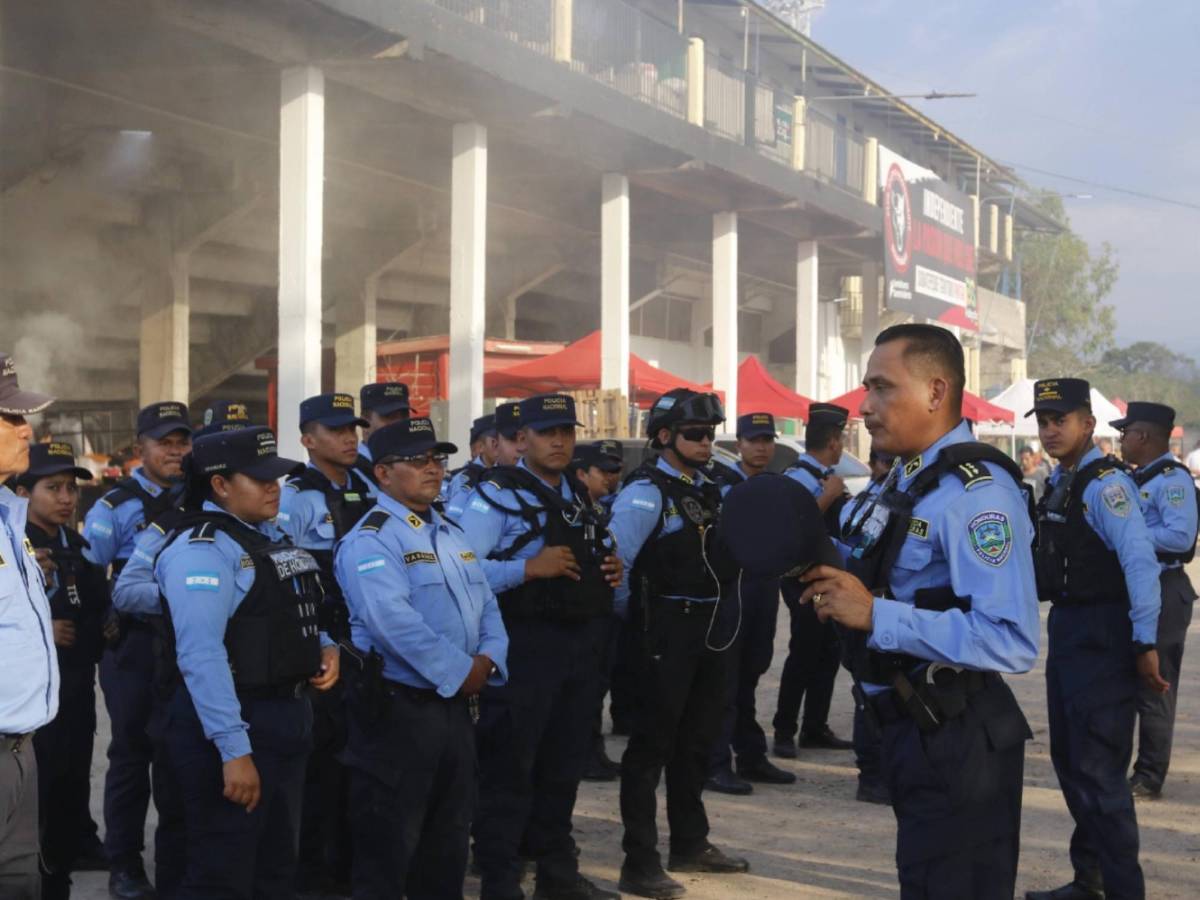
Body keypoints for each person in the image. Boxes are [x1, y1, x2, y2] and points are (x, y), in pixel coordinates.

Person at [800, 324, 1039, 899]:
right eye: (867, 388)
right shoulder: (906, 477)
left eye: (882, 388)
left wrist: (876, 616)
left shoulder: (977, 495)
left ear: (935, 392)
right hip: (910, 727)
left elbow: (1011, 638)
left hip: (958, 736)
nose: (865, 406)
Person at [151, 426, 339, 897]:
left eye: (275, 476)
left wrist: (324, 643)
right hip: (233, 722)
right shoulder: (204, 549)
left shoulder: (266, 535)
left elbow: (296, 606)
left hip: (284, 718)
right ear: (219, 485)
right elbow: (201, 654)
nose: (274, 486)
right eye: (259, 478)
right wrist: (234, 751)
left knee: (276, 869)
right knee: (223, 872)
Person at [335, 417, 509, 898]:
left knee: (448, 842)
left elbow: (487, 603)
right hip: (398, 710)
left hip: (455, 708)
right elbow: (392, 622)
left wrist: (490, 659)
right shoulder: (371, 539)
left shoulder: (451, 532)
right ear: (384, 473)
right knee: (389, 849)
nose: (433, 469)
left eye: (437, 458)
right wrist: (462, 671)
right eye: (418, 461)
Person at [457, 393, 621, 900]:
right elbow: (459, 569)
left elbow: (588, 548)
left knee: (563, 768)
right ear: (520, 438)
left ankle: (557, 877)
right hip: (522, 650)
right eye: (547, 432)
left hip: (577, 649)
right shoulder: (495, 495)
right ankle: (501, 883)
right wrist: (526, 568)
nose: (559, 441)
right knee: (509, 771)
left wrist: (609, 567)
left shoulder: (574, 490)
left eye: (567, 432)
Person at [1024, 378, 1168, 900]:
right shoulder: (1063, 479)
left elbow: (1139, 562)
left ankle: (1124, 890)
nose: (1049, 430)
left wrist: (1145, 642)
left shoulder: (1108, 485)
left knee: (1101, 773)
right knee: (1072, 763)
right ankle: (1090, 880)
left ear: (1088, 422)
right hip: (1070, 630)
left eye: (1059, 419)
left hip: (1104, 635)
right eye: (1042, 421)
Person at [608, 388, 748, 900]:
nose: (706, 442)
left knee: (696, 743)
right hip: (663, 633)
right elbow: (615, 567)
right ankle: (638, 862)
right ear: (664, 436)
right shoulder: (646, 492)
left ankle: (690, 842)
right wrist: (640, 625)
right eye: (695, 434)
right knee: (650, 750)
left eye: (711, 434)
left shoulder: (711, 486)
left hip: (709, 633)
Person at [83, 401, 192, 900]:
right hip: (132, 645)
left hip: (183, 645)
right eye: (163, 442)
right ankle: (124, 864)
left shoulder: (198, 497)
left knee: (179, 756)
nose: (174, 451)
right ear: (140, 447)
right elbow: (88, 576)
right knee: (129, 756)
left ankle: (173, 864)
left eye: (181, 442)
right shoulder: (116, 507)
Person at [277, 392, 376, 897]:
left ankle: (346, 868)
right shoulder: (294, 497)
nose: (349, 438)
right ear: (307, 439)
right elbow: (285, 574)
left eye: (353, 428)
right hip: (322, 646)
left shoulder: (365, 484)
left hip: (366, 641)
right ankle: (310, 875)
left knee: (360, 761)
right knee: (320, 766)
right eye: (336, 430)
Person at [12, 442, 110, 899]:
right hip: (30, 707)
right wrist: (41, 627)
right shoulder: (14, 546)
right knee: (39, 802)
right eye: (53, 488)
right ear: (22, 492)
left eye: (71, 488)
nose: (67, 498)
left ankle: (61, 878)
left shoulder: (76, 544)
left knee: (71, 792)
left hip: (75, 690)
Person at [1112, 402, 1199, 800]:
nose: (1120, 440)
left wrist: (1130, 538)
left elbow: (1181, 539)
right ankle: (1124, 764)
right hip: (1138, 586)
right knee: (1126, 679)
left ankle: (1149, 775)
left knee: (1155, 683)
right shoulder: (1136, 477)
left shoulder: (1172, 480)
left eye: (1124, 433)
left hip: (1165, 586)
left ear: (1143, 436)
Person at [706, 413, 795, 796]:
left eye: (767, 440)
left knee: (753, 672)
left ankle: (751, 755)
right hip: (734, 588)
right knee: (725, 680)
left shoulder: (777, 486)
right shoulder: (722, 486)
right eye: (754, 439)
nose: (762, 447)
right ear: (738, 444)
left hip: (765, 587)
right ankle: (715, 762)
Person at [0, 353, 58, 899]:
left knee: (19, 881)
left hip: (19, 749)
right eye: (10, 417)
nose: (26, 430)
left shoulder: (8, 515)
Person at [773, 403, 853, 758]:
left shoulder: (825, 475)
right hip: (803, 580)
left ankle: (815, 727)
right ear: (834, 440)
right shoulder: (798, 477)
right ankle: (784, 731)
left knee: (828, 652)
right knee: (804, 652)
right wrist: (830, 495)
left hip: (829, 577)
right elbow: (791, 530)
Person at [836, 446, 894, 805]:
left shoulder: (892, 499)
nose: (890, 468)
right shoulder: (861, 505)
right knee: (870, 689)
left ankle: (879, 771)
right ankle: (872, 775)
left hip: (876, 604)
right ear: (872, 464)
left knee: (879, 687)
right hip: (865, 602)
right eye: (885, 462)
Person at [570, 444, 626, 783]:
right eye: (602, 470)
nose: (611, 476)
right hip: (583, 617)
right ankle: (584, 756)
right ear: (581, 474)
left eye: (614, 469)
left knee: (597, 687)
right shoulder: (573, 512)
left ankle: (594, 752)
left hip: (601, 613)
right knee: (583, 692)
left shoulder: (598, 510)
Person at [354, 381, 412, 483]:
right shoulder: (349, 471)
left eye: (404, 416)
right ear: (365, 422)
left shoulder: (417, 466)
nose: (399, 424)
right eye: (390, 417)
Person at [444, 413, 499, 517]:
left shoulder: (508, 475)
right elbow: (454, 521)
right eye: (494, 441)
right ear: (480, 447)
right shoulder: (464, 480)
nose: (500, 445)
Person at [494, 401, 525, 467]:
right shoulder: (481, 477)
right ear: (495, 444)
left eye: (524, 439)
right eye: (512, 439)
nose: (521, 448)